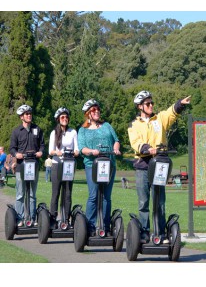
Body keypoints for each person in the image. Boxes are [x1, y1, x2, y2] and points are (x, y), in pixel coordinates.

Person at [128, 90, 191, 244]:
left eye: (152, 103)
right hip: (143, 165)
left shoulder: (159, 119)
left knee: (160, 200)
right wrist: (145, 148)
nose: (151, 105)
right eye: (147, 103)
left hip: (159, 165)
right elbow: (134, 141)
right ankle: (143, 232)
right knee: (143, 201)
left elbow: (170, 113)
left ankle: (160, 232)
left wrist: (179, 105)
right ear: (140, 107)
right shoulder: (134, 124)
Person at [78, 99, 121, 237]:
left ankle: (105, 226)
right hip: (92, 165)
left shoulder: (107, 125)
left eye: (98, 110)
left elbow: (116, 140)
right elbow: (82, 148)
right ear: (88, 114)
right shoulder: (83, 130)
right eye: (93, 110)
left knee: (106, 197)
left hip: (109, 164)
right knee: (94, 195)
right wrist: (91, 151)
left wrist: (116, 149)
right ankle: (90, 226)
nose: (97, 112)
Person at [9, 104, 45, 227]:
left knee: (32, 194)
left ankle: (32, 218)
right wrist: (16, 154)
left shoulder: (37, 129)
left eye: (30, 113)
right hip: (21, 166)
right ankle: (19, 218)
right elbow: (12, 148)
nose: (29, 115)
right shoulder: (16, 132)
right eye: (26, 114)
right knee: (20, 193)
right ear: (21, 117)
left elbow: (42, 145)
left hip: (33, 165)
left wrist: (40, 151)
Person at [48, 107, 79, 227]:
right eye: (62, 117)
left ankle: (66, 218)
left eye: (66, 117)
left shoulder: (73, 132)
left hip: (69, 164)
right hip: (57, 164)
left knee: (67, 193)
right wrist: (57, 153)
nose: (65, 119)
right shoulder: (54, 133)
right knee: (56, 193)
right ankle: (53, 219)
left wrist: (76, 152)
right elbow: (50, 151)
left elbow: (77, 148)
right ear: (58, 119)